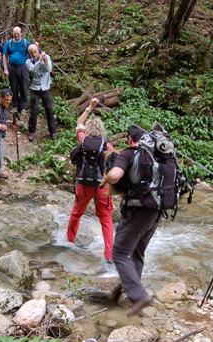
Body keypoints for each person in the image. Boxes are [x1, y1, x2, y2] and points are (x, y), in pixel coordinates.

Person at [105, 124, 161, 316]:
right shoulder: (156, 156)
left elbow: (115, 176)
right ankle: (130, 293)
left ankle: (138, 296)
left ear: (129, 138)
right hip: (156, 211)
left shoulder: (129, 154)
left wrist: (108, 176)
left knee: (119, 252)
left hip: (137, 210)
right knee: (137, 251)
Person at [67, 98, 114, 262]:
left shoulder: (83, 139)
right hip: (101, 186)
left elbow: (79, 123)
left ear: (88, 130)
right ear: (102, 131)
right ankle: (109, 255)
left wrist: (90, 107)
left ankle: (69, 241)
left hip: (83, 183)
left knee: (76, 213)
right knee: (106, 219)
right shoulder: (108, 147)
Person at [26, 43, 57, 142]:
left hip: (46, 88)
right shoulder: (28, 61)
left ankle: (53, 132)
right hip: (35, 89)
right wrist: (40, 60)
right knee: (34, 110)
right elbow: (33, 70)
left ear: (38, 50)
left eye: (35, 52)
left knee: (49, 109)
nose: (33, 54)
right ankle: (32, 132)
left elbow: (49, 69)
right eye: (31, 53)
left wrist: (45, 60)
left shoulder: (46, 56)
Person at [2, 27, 30, 115]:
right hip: (12, 68)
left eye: (18, 34)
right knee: (13, 87)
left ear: (21, 33)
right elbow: (4, 56)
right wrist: (5, 69)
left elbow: (33, 52)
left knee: (23, 87)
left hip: (23, 67)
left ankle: (23, 107)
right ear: (13, 34)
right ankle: (15, 106)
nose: (16, 36)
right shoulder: (9, 43)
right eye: (15, 34)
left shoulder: (25, 42)